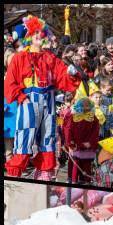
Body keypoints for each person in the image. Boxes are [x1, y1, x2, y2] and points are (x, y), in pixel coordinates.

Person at [4, 15, 80, 178]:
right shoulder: (19, 58)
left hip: (49, 101)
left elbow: (62, 79)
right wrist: (20, 97)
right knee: (25, 136)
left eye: (41, 32)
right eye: (35, 32)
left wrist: (72, 74)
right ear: (29, 36)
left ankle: (44, 172)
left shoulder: (50, 58)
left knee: (48, 136)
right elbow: (10, 82)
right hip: (29, 102)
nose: (40, 35)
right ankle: (15, 173)